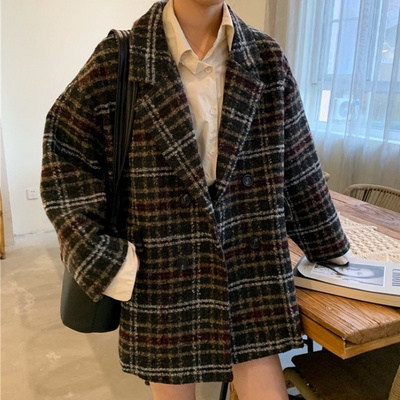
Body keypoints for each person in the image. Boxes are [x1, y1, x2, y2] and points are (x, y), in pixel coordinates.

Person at [40, 0, 350, 399]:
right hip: (161, 268)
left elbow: (299, 163)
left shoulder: (265, 57)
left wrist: (330, 247)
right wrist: (104, 258)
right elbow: (65, 158)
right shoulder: (120, 58)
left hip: (248, 263)